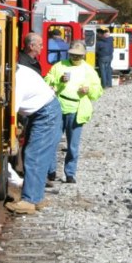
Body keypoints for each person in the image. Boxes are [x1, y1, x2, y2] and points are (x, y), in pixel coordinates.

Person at [45, 40, 103, 183]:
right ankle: (51, 170)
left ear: (83, 56)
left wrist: (88, 90)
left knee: (73, 145)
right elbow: (47, 81)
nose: (75, 58)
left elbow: (98, 91)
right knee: (53, 140)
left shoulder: (89, 70)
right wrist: (59, 80)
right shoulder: (59, 66)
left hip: (77, 109)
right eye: (73, 55)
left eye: (78, 56)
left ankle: (70, 173)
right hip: (59, 107)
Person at [6, 63, 61, 215]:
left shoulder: (17, 82)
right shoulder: (19, 71)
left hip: (45, 114)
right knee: (34, 155)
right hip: (44, 112)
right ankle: (37, 196)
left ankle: (30, 200)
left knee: (35, 155)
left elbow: (11, 112)